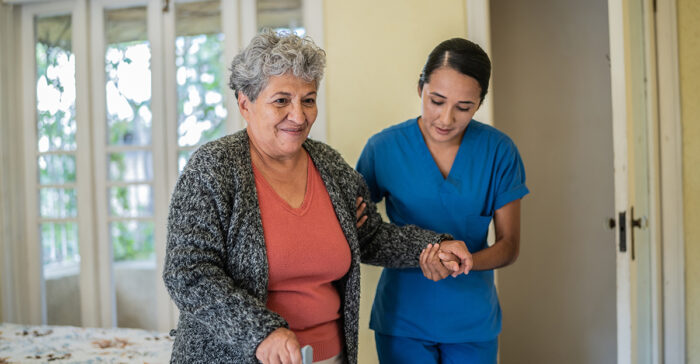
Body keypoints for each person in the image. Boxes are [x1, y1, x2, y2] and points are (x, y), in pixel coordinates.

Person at [162, 30, 472, 364]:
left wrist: (434, 245)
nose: (298, 115)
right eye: (281, 100)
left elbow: (370, 237)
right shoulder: (213, 169)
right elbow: (188, 272)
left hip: (329, 355)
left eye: (308, 99)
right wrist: (261, 332)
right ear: (245, 103)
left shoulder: (330, 166)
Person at [355, 38, 529, 364]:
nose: (446, 119)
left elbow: (509, 245)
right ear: (420, 87)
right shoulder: (383, 149)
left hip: (472, 322)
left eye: (464, 107)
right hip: (402, 318)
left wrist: (466, 262)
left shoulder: (500, 152)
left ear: (479, 104)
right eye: (437, 101)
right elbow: (357, 229)